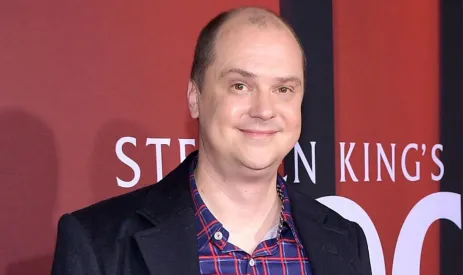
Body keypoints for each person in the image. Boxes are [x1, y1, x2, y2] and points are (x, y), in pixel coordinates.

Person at [51, 6, 372, 275]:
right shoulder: (97, 244)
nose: (263, 110)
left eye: (283, 89)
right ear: (195, 96)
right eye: (240, 86)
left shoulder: (345, 239)